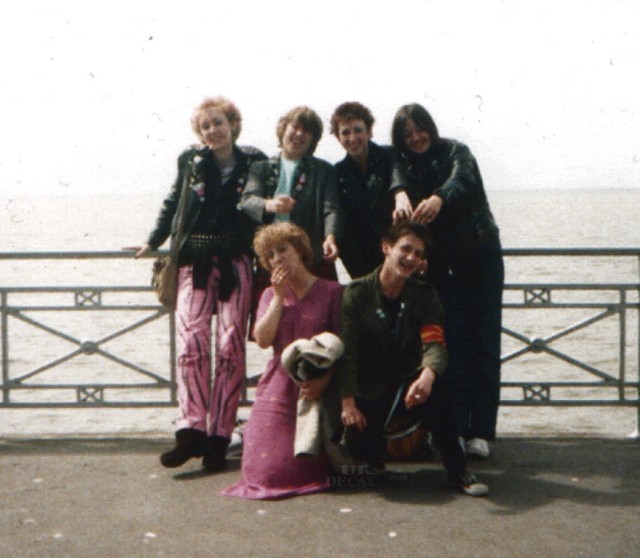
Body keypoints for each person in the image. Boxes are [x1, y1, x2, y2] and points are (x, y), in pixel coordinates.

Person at [132, 96, 266, 471]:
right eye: (205, 126)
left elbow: (261, 207)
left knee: (229, 346)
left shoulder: (254, 161)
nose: (213, 131)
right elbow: (173, 201)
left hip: (236, 260)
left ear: (232, 124)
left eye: (218, 123)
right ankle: (190, 430)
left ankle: (219, 436)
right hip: (195, 261)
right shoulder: (190, 160)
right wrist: (153, 241)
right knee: (190, 342)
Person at [338, 222, 488, 496]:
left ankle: (458, 470)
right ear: (387, 248)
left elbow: (435, 344)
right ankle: (372, 461)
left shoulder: (424, 295)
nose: (411, 258)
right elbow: (347, 353)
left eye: (418, 254)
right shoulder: (356, 294)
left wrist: (427, 375)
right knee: (356, 471)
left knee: (440, 386)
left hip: (409, 385)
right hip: (369, 392)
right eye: (405, 249)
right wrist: (348, 403)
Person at [391, 103, 504, 459]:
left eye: (419, 129)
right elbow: (393, 174)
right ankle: (453, 429)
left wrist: (439, 197)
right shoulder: (404, 164)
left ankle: (481, 431)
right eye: (407, 134)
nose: (415, 138)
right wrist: (398, 191)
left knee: (484, 342)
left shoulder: (456, 151)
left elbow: (463, 179)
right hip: (441, 268)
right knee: (449, 345)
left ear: (431, 127)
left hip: (480, 258)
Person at [222, 222, 342, 500]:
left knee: (300, 466)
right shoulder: (268, 294)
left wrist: (324, 380)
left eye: (282, 250)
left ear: (299, 250)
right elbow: (263, 340)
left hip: (315, 382)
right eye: (271, 255)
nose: (277, 258)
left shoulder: (332, 291)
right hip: (278, 381)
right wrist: (277, 296)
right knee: (263, 471)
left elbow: (342, 344)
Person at [240, 106, 343, 281]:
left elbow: (331, 209)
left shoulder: (324, 170)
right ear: (283, 129)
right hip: (273, 260)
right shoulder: (261, 167)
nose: (299, 134)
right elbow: (247, 201)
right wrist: (270, 205)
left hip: (311, 257)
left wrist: (330, 237)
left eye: (307, 131)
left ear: (313, 139)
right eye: (295, 127)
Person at [330, 102, 400, 279]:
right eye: (345, 132)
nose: (352, 138)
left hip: (400, 254)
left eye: (358, 130)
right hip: (364, 264)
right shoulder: (338, 173)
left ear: (369, 131)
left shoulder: (391, 156)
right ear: (338, 138)